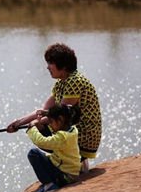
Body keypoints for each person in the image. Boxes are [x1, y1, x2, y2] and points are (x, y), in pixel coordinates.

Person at [7, 43, 102, 172]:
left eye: (50, 62)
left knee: (43, 127)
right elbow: (43, 110)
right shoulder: (61, 83)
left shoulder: (75, 81)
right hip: (73, 133)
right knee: (42, 125)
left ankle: (75, 164)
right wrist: (18, 123)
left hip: (85, 137)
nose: (47, 67)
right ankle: (76, 164)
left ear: (63, 66)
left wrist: (33, 124)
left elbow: (58, 116)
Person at [27, 104, 81, 192]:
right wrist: (40, 126)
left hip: (65, 176)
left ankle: (50, 185)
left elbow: (41, 142)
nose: (50, 125)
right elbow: (52, 140)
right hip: (70, 171)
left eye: (51, 122)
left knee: (34, 153)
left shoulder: (62, 137)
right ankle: (51, 182)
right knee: (44, 154)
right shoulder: (72, 130)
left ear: (60, 120)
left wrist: (32, 127)